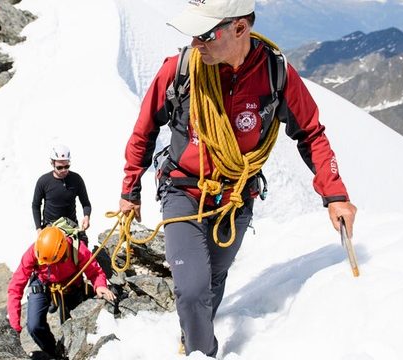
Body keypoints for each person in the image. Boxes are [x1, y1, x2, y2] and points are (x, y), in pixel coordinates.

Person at [118, 0, 357, 357]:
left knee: (213, 279)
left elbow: (310, 133)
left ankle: (194, 332)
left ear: (240, 28)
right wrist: (129, 191)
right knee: (194, 288)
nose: (196, 43)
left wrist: (335, 193)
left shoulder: (276, 75)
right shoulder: (180, 69)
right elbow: (145, 129)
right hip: (183, 189)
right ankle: (201, 350)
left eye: (206, 34)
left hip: (236, 197)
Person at [7, 226, 116, 358]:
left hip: (70, 285)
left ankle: (67, 350)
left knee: (72, 326)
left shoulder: (77, 249)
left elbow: (94, 271)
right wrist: (14, 327)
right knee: (34, 326)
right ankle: (54, 353)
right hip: (43, 284)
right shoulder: (35, 251)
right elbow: (15, 287)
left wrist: (100, 286)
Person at [32, 144, 92, 244]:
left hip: (71, 225)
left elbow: (86, 203)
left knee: (83, 251)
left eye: (67, 166)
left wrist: (86, 217)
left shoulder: (76, 179)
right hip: (50, 227)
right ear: (52, 163)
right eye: (59, 167)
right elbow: (36, 205)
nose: (64, 170)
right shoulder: (43, 181)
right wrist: (39, 229)